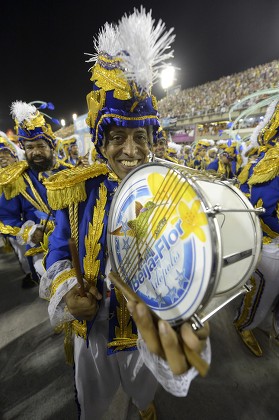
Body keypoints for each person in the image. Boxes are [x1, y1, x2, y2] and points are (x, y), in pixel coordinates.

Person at [40, 9, 211, 420]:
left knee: (143, 389)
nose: (130, 150)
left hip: (145, 331)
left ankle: (144, 404)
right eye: (118, 137)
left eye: (140, 137)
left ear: (153, 139)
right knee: (94, 403)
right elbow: (58, 250)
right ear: (103, 141)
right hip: (93, 330)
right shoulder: (77, 189)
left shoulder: (172, 191)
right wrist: (69, 296)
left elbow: (191, 258)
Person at [0, 100, 72, 280]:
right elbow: (5, 218)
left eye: (40, 146)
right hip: (42, 251)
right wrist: (29, 232)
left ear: (51, 146)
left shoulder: (70, 172)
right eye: (30, 147)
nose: (35, 152)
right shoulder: (16, 181)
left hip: (77, 244)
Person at [234, 98, 279, 357]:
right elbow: (258, 209)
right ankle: (245, 323)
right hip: (268, 241)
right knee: (267, 284)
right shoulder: (272, 160)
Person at [0, 132, 35, 287]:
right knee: (21, 251)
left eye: (5, 153)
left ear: (14, 156)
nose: (2, 158)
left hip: (37, 222)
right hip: (16, 225)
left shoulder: (28, 172)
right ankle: (29, 273)